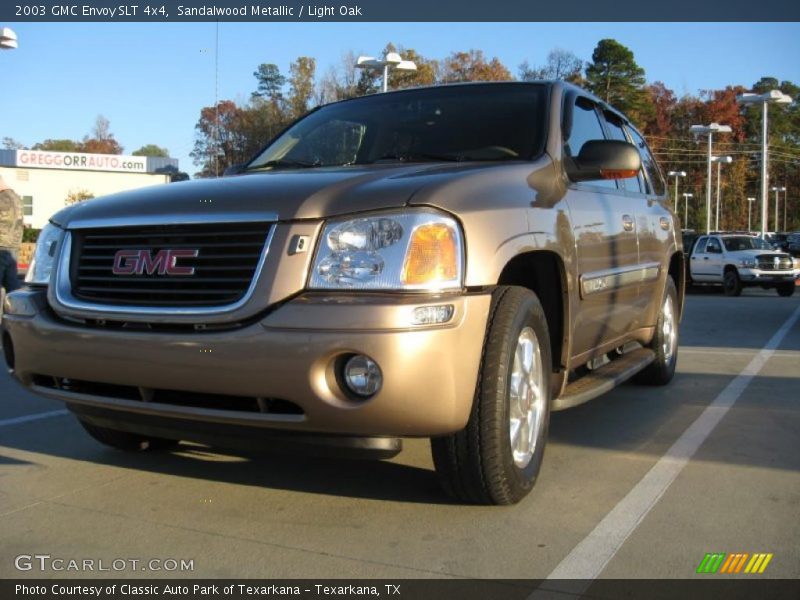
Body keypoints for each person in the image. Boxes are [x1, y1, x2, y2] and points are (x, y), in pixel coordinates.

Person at [0, 174, 23, 294]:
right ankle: (16, 310)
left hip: (1, 246)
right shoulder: (16, 198)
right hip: (13, 245)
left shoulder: (2, 199)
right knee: (12, 285)